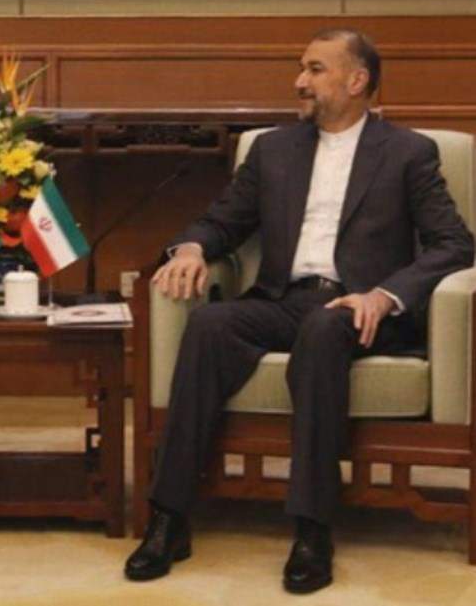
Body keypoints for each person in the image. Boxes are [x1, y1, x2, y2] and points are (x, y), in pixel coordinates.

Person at [124, 29, 474, 594]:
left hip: (358, 308)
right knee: (210, 323)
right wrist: (190, 249)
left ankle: (313, 528)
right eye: (301, 68)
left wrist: (383, 295)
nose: (299, 82)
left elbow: (454, 244)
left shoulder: (407, 152)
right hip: (282, 299)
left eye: (314, 70)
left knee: (323, 328)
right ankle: (169, 516)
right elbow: (222, 222)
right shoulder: (273, 149)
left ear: (356, 81)